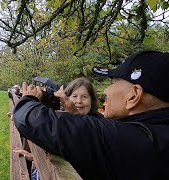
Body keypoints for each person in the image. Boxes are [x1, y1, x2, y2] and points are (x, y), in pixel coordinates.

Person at [13, 50, 169, 179]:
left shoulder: (131, 138)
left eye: (112, 82)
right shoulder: (158, 134)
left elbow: (30, 119)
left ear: (134, 96)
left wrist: (28, 98)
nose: (106, 91)